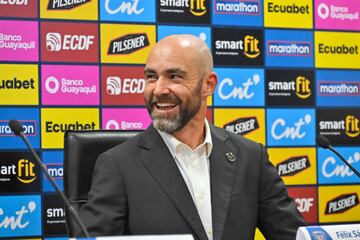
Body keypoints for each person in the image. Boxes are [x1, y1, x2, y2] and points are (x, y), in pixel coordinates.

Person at [77, 34, 306, 240]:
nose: (158, 90)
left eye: (174, 77)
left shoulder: (250, 157)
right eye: (151, 77)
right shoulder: (118, 165)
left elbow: (292, 235)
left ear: (208, 84)